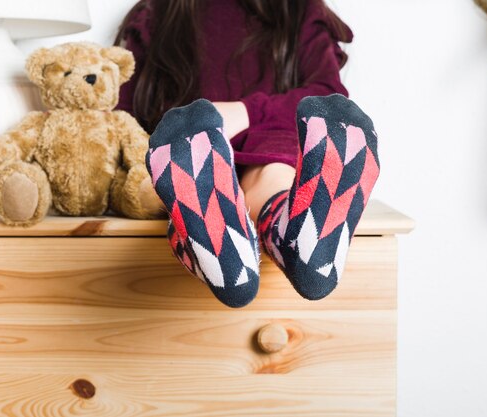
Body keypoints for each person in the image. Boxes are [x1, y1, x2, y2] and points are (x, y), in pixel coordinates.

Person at [116, 0, 380, 308]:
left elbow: (324, 98)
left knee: (267, 171)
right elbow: (124, 117)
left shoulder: (299, 10)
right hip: (187, 153)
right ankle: (294, 244)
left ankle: (232, 253)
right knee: (165, 181)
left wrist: (243, 113)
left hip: (260, 146)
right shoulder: (154, 15)